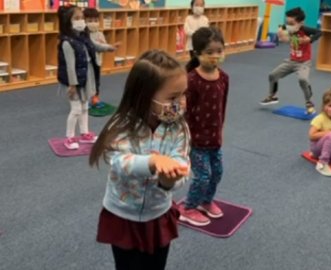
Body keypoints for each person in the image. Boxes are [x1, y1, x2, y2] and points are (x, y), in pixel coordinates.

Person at [90, 50, 190, 270]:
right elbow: (118, 161)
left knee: (155, 265)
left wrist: (168, 180)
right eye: (173, 97)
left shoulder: (179, 128)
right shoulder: (123, 124)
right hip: (123, 214)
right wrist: (151, 162)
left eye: (183, 94)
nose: (180, 103)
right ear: (145, 95)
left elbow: (181, 162)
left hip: (158, 213)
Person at [180, 27, 229, 226]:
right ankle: (188, 207)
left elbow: (222, 107)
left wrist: (221, 130)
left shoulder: (224, 78)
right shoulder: (191, 80)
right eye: (209, 52)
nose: (215, 56)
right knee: (202, 176)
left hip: (214, 137)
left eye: (219, 51)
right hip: (196, 138)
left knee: (217, 172)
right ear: (197, 53)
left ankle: (205, 202)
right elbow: (184, 111)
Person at [260, 7, 321, 114]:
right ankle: (272, 96)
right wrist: (281, 33)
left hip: (303, 62)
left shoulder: (304, 29)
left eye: (291, 23)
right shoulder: (286, 27)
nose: (288, 25)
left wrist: (310, 39)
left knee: (303, 80)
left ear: (299, 22)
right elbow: (282, 37)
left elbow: (319, 32)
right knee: (272, 75)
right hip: (291, 61)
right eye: (287, 22)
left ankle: (309, 102)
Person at [57, 5, 100, 149]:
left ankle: (84, 133)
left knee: (84, 108)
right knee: (75, 109)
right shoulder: (66, 42)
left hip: (84, 78)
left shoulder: (83, 37)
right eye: (76, 18)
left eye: (82, 18)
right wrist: (72, 85)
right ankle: (69, 137)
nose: (81, 21)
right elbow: (69, 66)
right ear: (68, 22)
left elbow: (92, 52)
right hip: (74, 81)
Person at [83, 7, 118, 103]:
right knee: (86, 80)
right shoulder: (83, 34)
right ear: (84, 21)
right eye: (90, 21)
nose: (93, 23)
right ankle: (85, 98)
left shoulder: (100, 34)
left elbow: (103, 46)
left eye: (96, 20)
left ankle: (95, 96)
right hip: (87, 62)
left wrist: (108, 45)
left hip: (97, 61)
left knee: (96, 80)